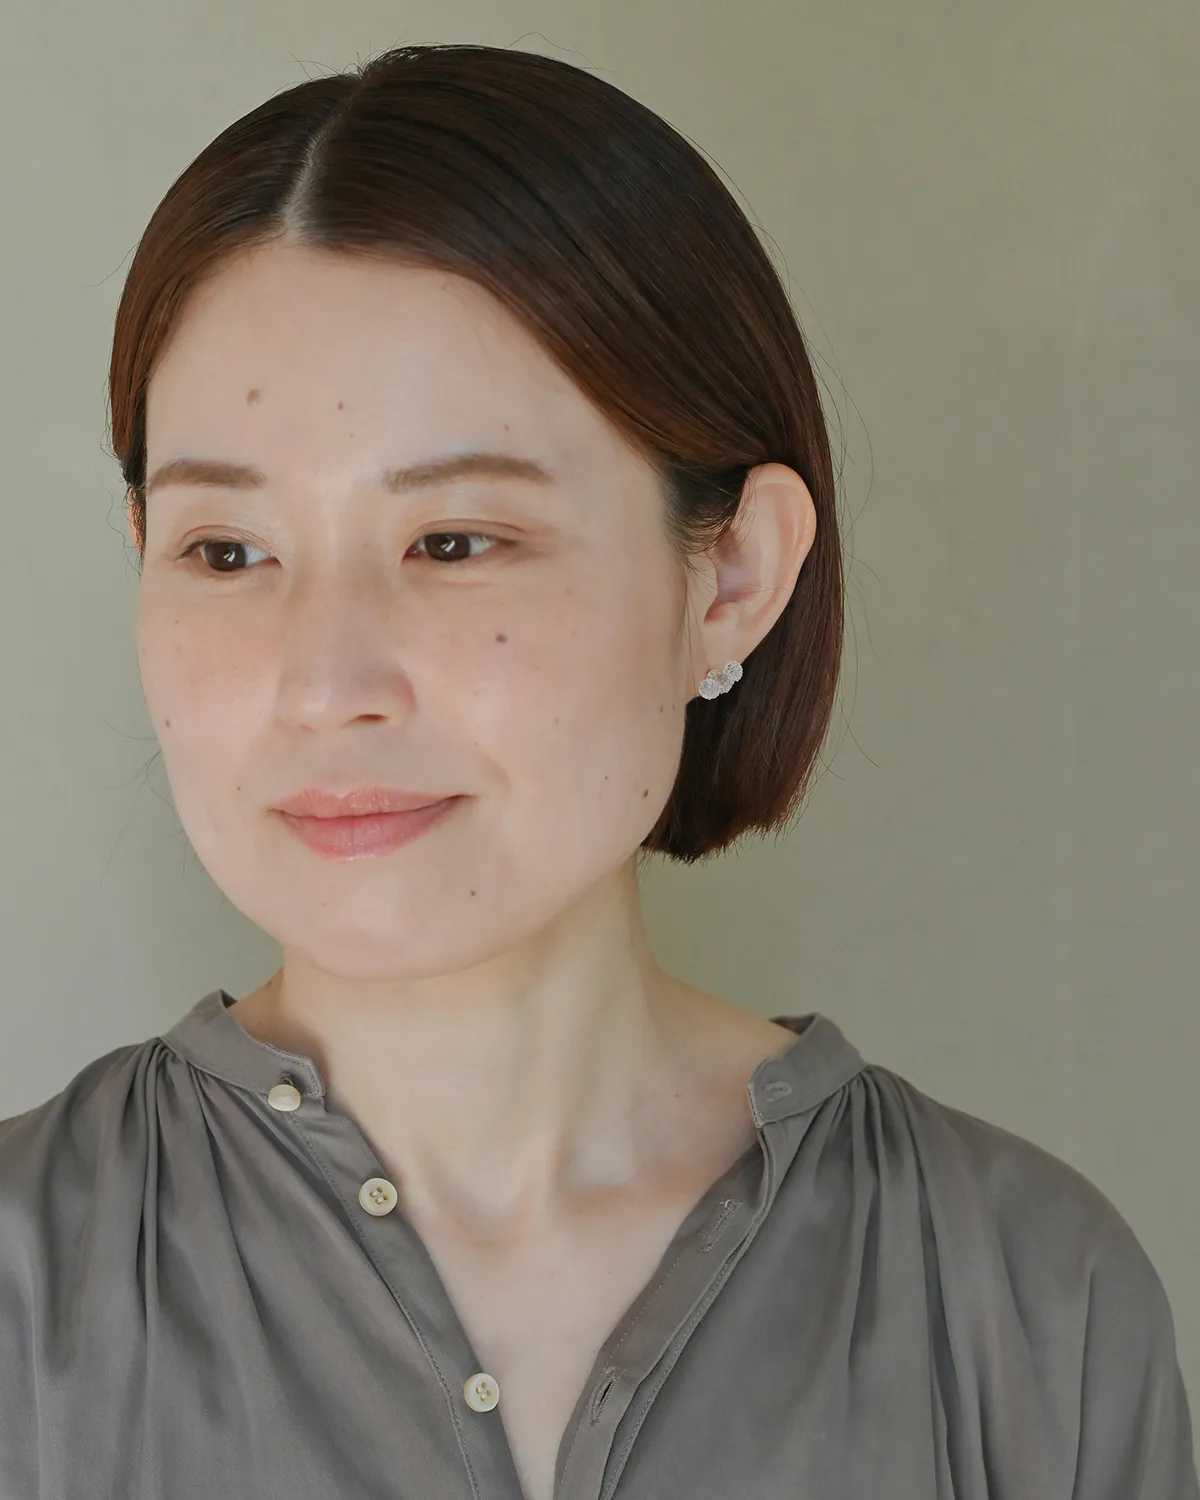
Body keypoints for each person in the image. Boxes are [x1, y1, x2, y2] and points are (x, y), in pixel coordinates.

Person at [0, 41, 1194, 1500]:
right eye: (228, 551)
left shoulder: (1034, 1306)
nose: (323, 682)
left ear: (732, 576)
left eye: (454, 542)